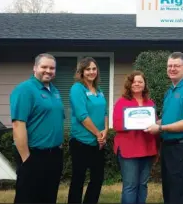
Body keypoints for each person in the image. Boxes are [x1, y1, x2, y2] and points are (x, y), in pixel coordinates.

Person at [145, 52, 183, 204]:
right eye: (169, 66)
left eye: (176, 66)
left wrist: (161, 128)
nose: (172, 69)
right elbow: (170, 118)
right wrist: (151, 123)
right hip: (169, 147)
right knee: (170, 190)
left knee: (181, 191)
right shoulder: (170, 91)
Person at [10, 53, 64, 203]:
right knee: (28, 198)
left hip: (54, 155)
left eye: (52, 68)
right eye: (44, 67)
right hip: (34, 155)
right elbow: (18, 124)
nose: (48, 71)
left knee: (49, 197)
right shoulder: (25, 90)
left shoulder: (54, 91)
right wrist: (27, 159)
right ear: (35, 68)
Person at [112, 70, 159, 204]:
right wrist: (132, 122)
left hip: (147, 148)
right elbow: (116, 125)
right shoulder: (121, 102)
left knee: (143, 185)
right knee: (130, 186)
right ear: (129, 84)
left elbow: (154, 125)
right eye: (134, 82)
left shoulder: (150, 103)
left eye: (140, 82)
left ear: (144, 85)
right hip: (129, 150)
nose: (137, 84)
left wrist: (157, 148)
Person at [67, 57, 108, 204]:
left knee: (97, 179)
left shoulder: (99, 90)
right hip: (80, 142)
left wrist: (105, 131)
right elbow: (82, 115)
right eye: (88, 69)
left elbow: (105, 113)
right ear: (82, 72)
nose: (91, 72)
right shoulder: (77, 88)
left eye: (94, 69)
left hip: (98, 143)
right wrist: (98, 134)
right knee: (79, 178)